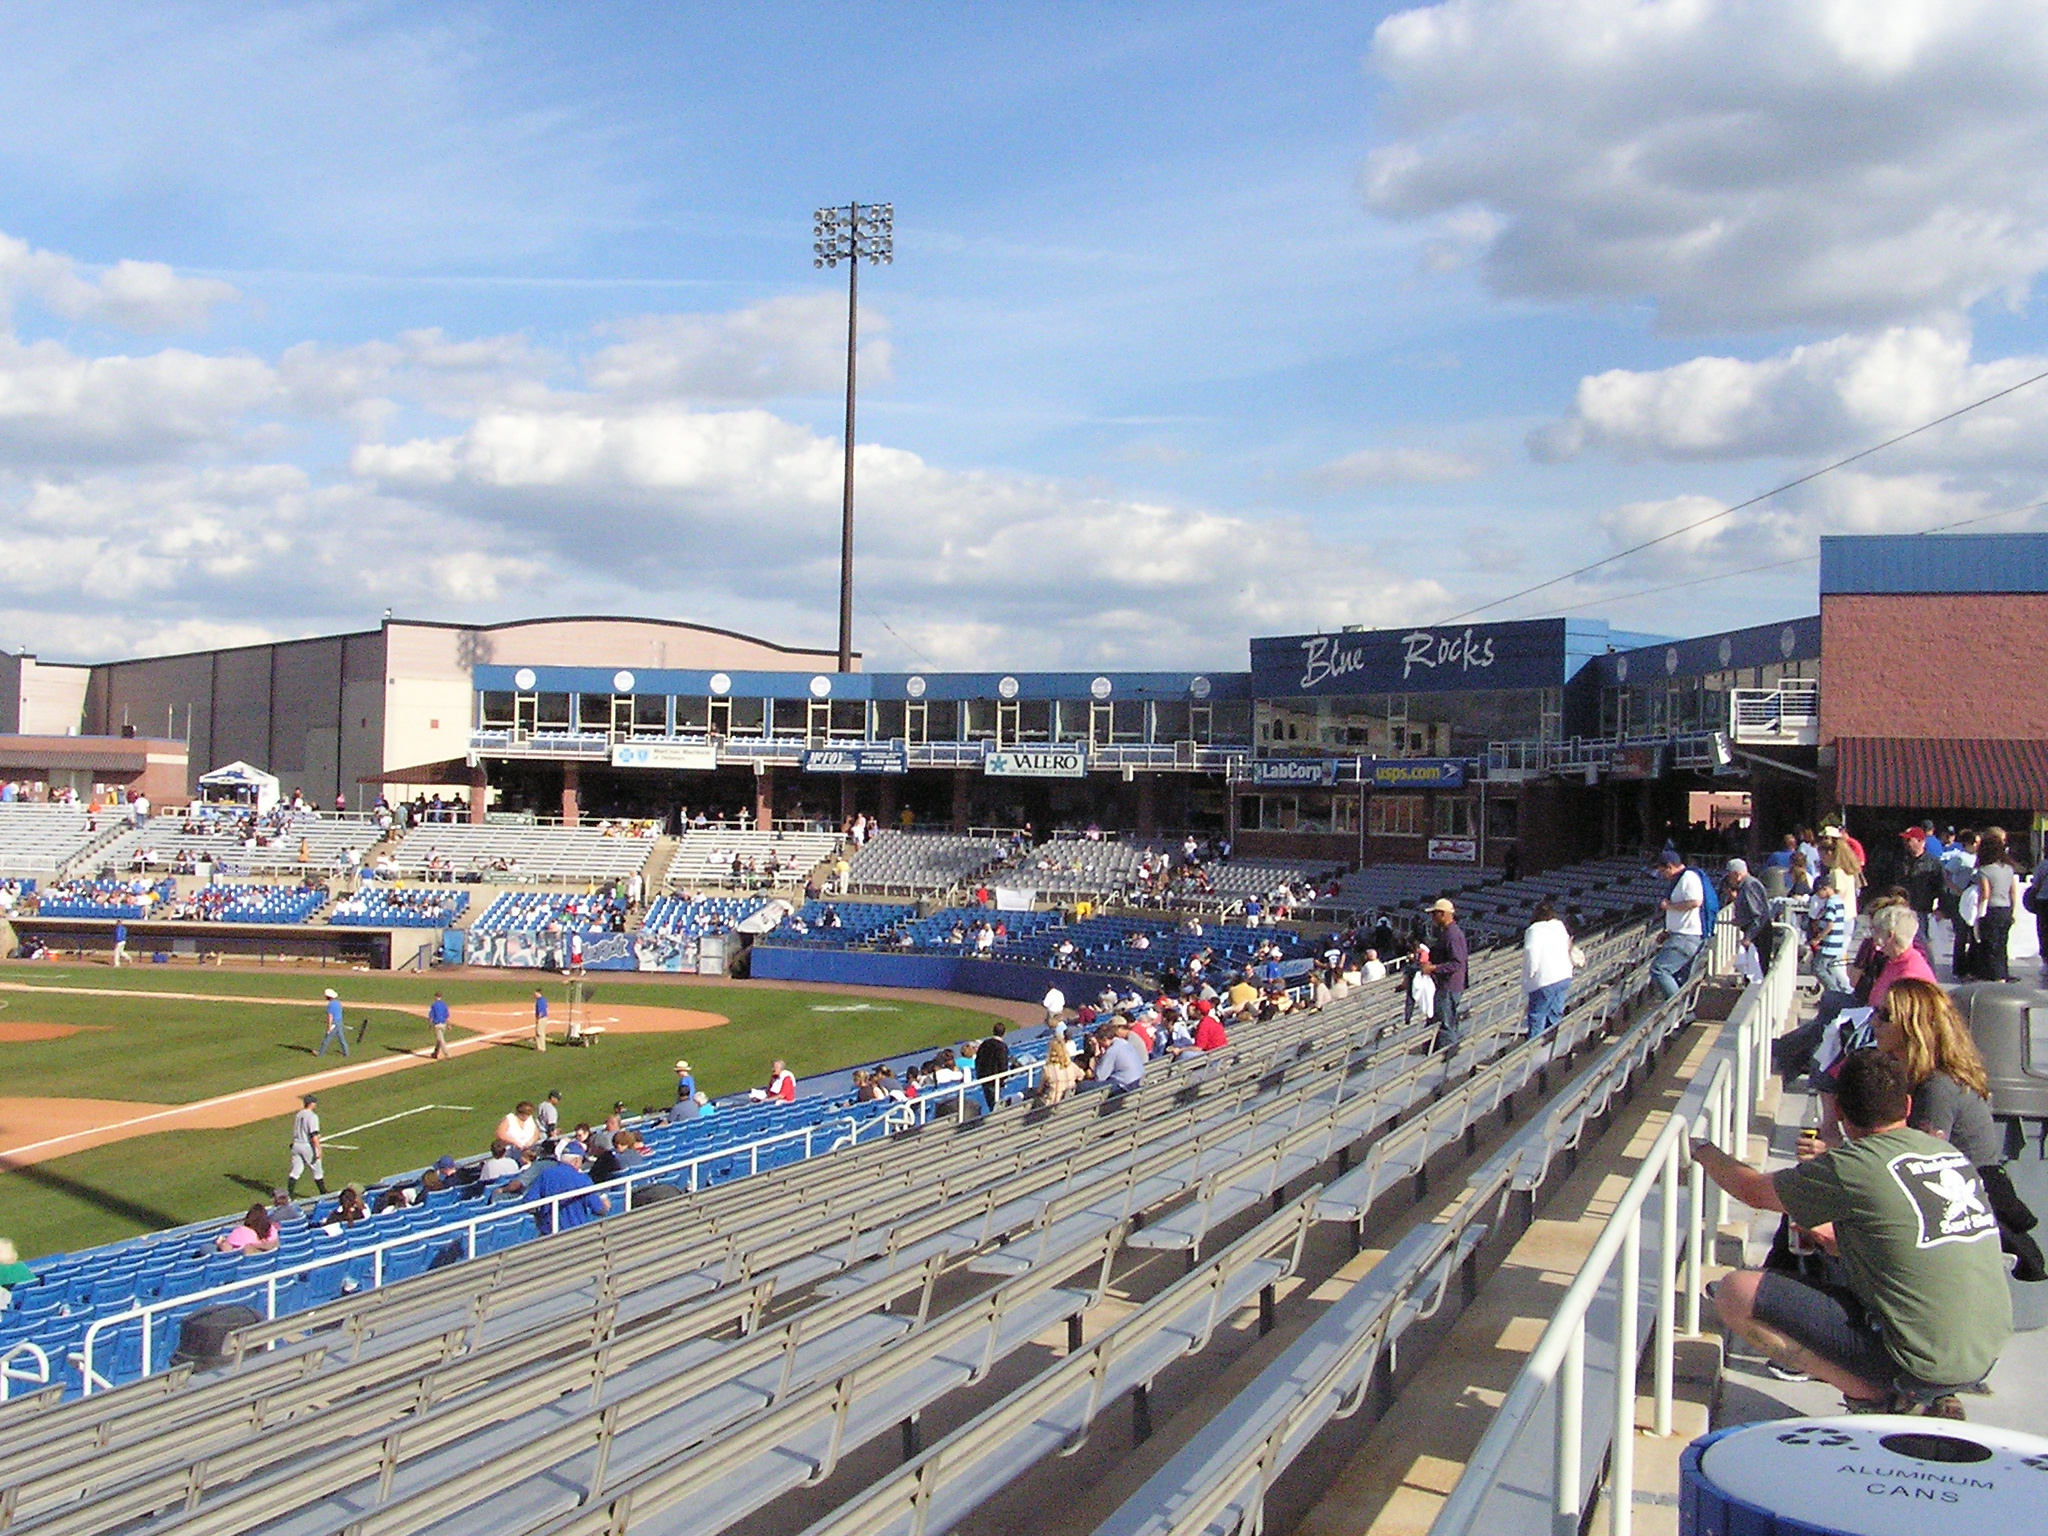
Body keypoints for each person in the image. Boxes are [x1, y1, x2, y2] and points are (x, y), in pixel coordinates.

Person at [1692, 1049, 2010, 1418]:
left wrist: (1702, 1149)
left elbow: (1751, 1190)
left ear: (1839, 1111)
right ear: (1906, 1106)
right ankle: (1922, 1391)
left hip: (1918, 1362)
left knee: (1736, 1292)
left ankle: (1873, 1395)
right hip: (1983, 1356)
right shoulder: (1946, 1154)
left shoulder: (1852, 1165)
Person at [1878, 979, 2044, 1281]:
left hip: (1959, 1207)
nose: (1874, 1022)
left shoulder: (1936, 1088)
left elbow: (1914, 1168)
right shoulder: (1929, 1078)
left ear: (1911, 1027)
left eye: (1885, 1016)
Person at [1650, 850, 1705, 998]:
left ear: (1669, 867)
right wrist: (1667, 931)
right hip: (1679, 935)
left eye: (1662, 871)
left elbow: (1695, 902)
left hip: (1686, 937)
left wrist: (1669, 906)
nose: (1662, 876)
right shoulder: (1680, 880)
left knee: (1659, 969)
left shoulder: (1688, 877)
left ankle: (1677, 1008)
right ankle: (1684, 1014)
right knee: (1680, 979)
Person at [523, 1147, 610, 1235]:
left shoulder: (545, 1174)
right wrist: (605, 1203)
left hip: (548, 1235)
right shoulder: (583, 1179)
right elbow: (599, 1209)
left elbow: (529, 1202)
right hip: (575, 1234)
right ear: (576, 1161)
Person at [1419, 898, 1469, 1049]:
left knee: (1445, 1025)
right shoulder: (1447, 933)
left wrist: (1434, 968)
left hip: (1448, 987)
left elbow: (1457, 963)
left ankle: (1449, 1058)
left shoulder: (1452, 935)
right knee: (1442, 1022)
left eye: (1434, 914)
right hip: (1447, 986)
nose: (1432, 918)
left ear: (1442, 914)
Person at [1521, 901, 1575, 1037]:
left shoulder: (1534, 930)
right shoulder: (1559, 927)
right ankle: (1552, 1040)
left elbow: (1531, 952)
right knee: (1555, 1011)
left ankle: (1533, 1047)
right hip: (1564, 974)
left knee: (1537, 1015)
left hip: (1545, 978)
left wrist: (1531, 973)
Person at [1972, 829, 2017, 982]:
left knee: (1990, 944)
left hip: (1991, 909)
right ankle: (2003, 972)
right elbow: (2013, 892)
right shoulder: (2009, 869)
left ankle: (1994, 975)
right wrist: (2013, 911)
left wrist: (1979, 914)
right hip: (2005, 909)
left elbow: (1985, 893)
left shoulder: (1984, 871)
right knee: (2002, 944)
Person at [1725, 859, 1777, 975]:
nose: (1729, 880)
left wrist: (1749, 937)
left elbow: (1758, 914)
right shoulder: (1746, 886)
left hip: (1759, 935)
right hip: (1755, 932)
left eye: (1730, 876)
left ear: (1736, 874)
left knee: (1758, 970)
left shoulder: (1750, 885)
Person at [1091, 1019, 1147, 1095]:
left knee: (1082, 1086)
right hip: (1138, 1081)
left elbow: (1100, 1077)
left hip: (1125, 1087)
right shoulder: (1124, 1043)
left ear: (1104, 1040)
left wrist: (1096, 1051)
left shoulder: (1112, 1051)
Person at [287, 1093, 326, 1196]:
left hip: (296, 1145)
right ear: (311, 1104)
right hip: (307, 1146)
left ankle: (289, 1194)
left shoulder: (299, 1114)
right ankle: (323, 1192)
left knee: (296, 1170)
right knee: (317, 1171)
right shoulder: (312, 1116)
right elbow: (313, 1134)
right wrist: (318, 1149)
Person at [974, 1022, 1009, 1111]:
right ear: (1004, 1033)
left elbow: (978, 1060)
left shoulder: (985, 1044)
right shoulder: (1002, 1047)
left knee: (992, 1104)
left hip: (985, 1079)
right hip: (994, 1081)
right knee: (996, 1105)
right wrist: (1004, 1078)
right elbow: (1003, 1064)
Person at [1039, 1034, 1083, 1104]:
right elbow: (1081, 1076)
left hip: (1051, 1106)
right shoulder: (1072, 1066)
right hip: (1068, 1105)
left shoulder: (1047, 1069)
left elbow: (1040, 1090)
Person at [316, 988, 349, 1057]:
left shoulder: (330, 1005)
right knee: (341, 1039)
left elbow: (330, 1016)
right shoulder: (338, 1003)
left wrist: (329, 1027)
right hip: (339, 1021)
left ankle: (320, 1054)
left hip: (334, 1023)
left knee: (327, 1038)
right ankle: (346, 1053)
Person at [427, 991, 451, 1060]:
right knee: (439, 1040)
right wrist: (449, 1025)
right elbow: (447, 1016)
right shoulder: (444, 1005)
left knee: (441, 1040)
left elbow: (431, 1016)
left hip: (437, 1025)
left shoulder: (434, 1005)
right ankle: (435, 1053)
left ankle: (447, 1054)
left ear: (435, 997)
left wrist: (429, 1024)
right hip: (444, 1025)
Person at [532, 987, 550, 1053]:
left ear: (538, 993)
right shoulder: (543, 1000)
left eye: (535, 993)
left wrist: (538, 1019)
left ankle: (542, 1048)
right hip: (543, 1018)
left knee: (540, 1033)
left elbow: (541, 1011)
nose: (534, 994)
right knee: (538, 1033)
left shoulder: (540, 1001)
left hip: (541, 1018)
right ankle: (539, 1047)